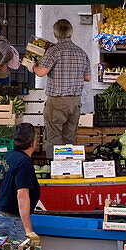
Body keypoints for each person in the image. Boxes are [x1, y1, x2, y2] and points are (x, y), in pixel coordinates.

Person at [32, 19, 91, 159]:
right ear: (71, 32)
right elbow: (87, 78)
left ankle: (55, 169)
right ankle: (70, 169)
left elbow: (41, 72)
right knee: (70, 138)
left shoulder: (54, 51)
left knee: (54, 138)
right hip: (75, 102)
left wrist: (33, 66)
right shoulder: (81, 52)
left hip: (57, 102)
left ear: (55, 34)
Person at [0, 122, 42, 244]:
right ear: (33, 142)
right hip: (13, 222)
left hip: (0, 216)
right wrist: (28, 230)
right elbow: (22, 196)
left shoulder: (9, 155)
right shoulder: (24, 162)